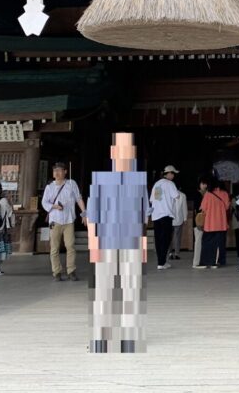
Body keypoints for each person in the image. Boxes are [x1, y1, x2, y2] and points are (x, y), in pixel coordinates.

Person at [87, 131, 150, 353]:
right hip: (106, 240)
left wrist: (143, 245)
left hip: (131, 241)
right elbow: (92, 215)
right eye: (120, 149)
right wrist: (93, 245)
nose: (124, 154)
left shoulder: (139, 181)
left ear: (133, 154)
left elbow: (144, 216)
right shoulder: (100, 180)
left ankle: (129, 337)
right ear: (113, 153)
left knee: (131, 292)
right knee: (103, 293)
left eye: (129, 150)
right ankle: (100, 338)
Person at [41, 162, 86, 281]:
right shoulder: (49, 187)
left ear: (65, 172)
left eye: (59, 170)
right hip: (55, 221)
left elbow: (78, 198)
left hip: (69, 220)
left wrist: (84, 213)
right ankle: (56, 272)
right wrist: (55, 206)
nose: (57, 173)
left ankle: (71, 270)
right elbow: (44, 202)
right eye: (55, 171)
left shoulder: (71, 184)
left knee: (70, 246)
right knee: (54, 248)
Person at [149, 165, 181, 270]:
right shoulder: (170, 184)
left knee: (158, 240)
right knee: (166, 239)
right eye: (173, 174)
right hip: (166, 215)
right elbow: (176, 196)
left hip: (156, 215)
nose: (174, 176)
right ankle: (162, 262)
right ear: (169, 173)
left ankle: (160, 262)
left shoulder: (157, 184)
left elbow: (153, 199)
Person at [197, 176, 230, 269]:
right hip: (222, 224)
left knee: (207, 244)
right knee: (220, 244)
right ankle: (219, 261)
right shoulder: (225, 194)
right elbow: (227, 207)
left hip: (210, 224)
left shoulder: (208, 194)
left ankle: (206, 262)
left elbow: (203, 208)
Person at [191, 176, 208, 269]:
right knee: (198, 242)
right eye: (203, 184)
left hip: (206, 222)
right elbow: (197, 209)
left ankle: (201, 261)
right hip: (199, 222)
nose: (204, 185)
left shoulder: (207, 194)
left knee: (202, 242)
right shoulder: (197, 195)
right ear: (199, 185)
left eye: (205, 184)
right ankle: (196, 262)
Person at [169, 184, 188, 261]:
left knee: (169, 237)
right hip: (179, 219)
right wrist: (185, 218)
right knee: (177, 237)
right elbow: (184, 207)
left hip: (169, 219)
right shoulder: (183, 195)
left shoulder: (168, 194)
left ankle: (170, 253)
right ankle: (176, 253)